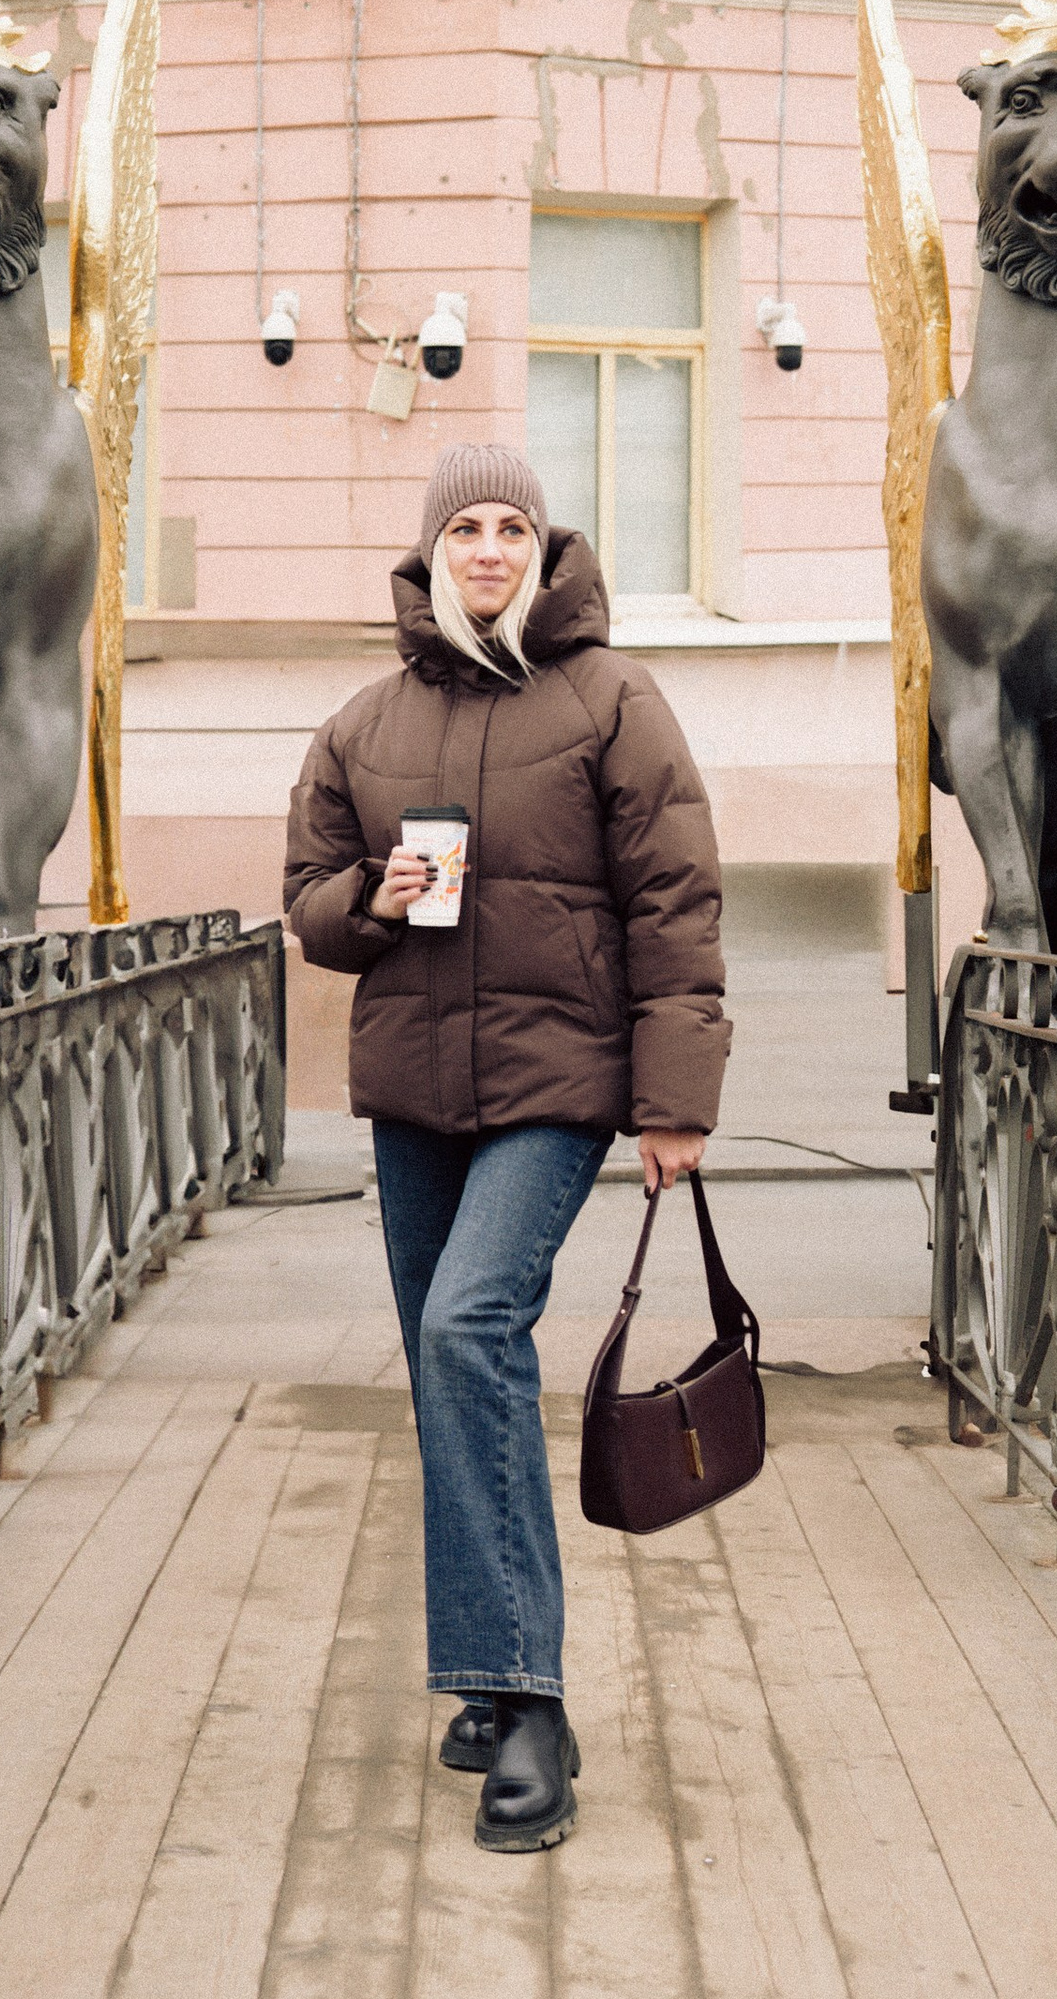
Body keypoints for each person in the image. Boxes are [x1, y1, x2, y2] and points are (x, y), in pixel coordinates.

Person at [283, 442, 728, 1852]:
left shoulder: (612, 700)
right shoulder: (362, 726)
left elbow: (677, 902)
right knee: (440, 1369)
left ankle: (532, 1701)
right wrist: (375, 893)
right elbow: (307, 903)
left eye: (512, 528)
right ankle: (479, 1674)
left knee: (474, 1330)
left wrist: (677, 1100)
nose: (488, 549)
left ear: (545, 551)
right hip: (414, 1082)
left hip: (558, 1080)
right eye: (464, 528)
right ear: (429, 553)